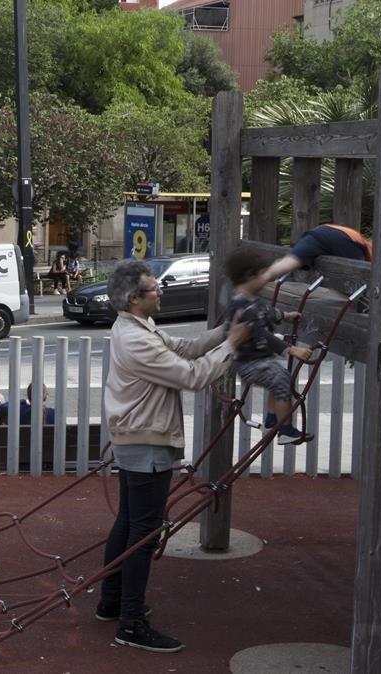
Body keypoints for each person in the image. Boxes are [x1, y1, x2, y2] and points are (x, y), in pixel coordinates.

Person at [96, 260, 249, 653]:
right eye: (154, 288)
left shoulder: (135, 327)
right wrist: (232, 345)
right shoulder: (136, 340)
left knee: (129, 524)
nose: (161, 290)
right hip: (147, 443)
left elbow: (183, 348)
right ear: (134, 298)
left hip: (137, 438)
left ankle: (112, 601)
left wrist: (224, 331)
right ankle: (130, 623)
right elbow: (192, 375)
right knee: (144, 535)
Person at [223, 248, 314, 445]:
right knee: (281, 379)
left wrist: (286, 316)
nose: (268, 278)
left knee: (278, 377)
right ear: (249, 275)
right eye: (264, 273)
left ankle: (272, 419)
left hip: (259, 360)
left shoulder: (250, 301)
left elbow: (268, 312)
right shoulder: (243, 306)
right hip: (248, 364)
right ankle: (285, 430)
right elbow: (262, 333)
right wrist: (292, 349)